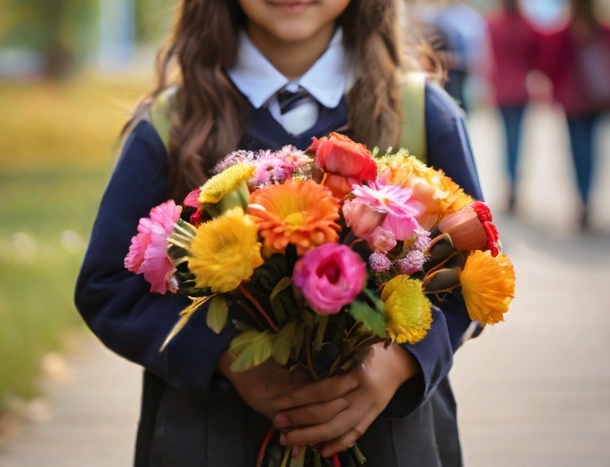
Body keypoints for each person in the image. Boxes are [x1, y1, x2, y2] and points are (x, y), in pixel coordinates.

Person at [75, 1, 484, 466]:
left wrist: (398, 363)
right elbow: (106, 285)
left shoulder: (421, 112)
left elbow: (477, 270)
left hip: (389, 437)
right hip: (211, 437)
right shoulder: (172, 122)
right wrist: (225, 356)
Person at [542, 0, 610, 231]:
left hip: (573, 101)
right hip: (596, 99)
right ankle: (587, 197)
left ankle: (582, 198)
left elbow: (550, 64)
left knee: (577, 150)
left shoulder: (564, 32)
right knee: (590, 150)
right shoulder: (602, 29)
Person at [486, 0, 544, 213]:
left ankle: (509, 185)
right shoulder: (526, 25)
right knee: (516, 140)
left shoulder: (494, 23)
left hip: (502, 90)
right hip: (520, 90)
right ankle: (514, 185)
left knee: (506, 141)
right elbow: (538, 57)